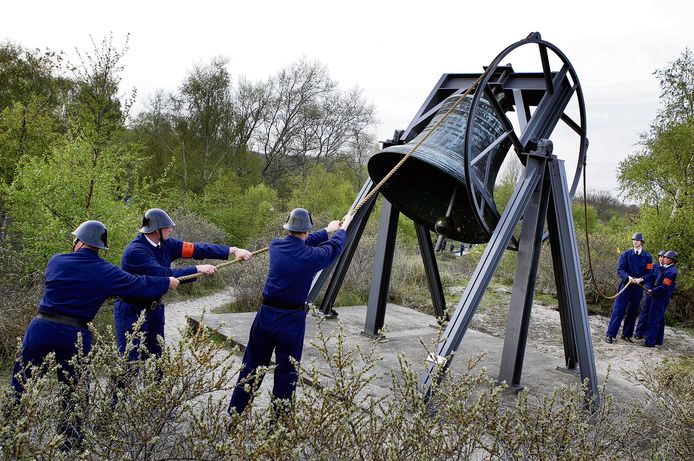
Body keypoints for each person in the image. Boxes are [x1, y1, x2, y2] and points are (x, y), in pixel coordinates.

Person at [11, 220, 178, 449]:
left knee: (20, 383)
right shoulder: (105, 271)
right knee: (74, 392)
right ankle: (70, 445)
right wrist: (166, 282)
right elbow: (137, 284)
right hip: (75, 335)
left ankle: (8, 436)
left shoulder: (55, 261)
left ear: (78, 242)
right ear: (100, 246)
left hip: (40, 328)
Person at [228, 208, 351, 415]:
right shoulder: (312, 257)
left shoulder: (276, 246)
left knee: (251, 366)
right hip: (291, 320)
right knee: (287, 374)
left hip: (266, 315)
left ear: (288, 228)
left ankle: (236, 411)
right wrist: (343, 228)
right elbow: (333, 248)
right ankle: (279, 424)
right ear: (306, 231)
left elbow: (300, 243)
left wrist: (326, 229)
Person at [114, 208, 252, 361]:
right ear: (156, 230)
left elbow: (197, 249)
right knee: (130, 361)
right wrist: (197, 269)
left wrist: (232, 251)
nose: (171, 230)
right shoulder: (136, 251)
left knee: (156, 359)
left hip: (154, 309)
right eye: (167, 227)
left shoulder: (166, 244)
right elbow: (164, 275)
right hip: (131, 310)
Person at [605, 233, 653, 344]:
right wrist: (628, 277)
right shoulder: (625, 254)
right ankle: (610, 335)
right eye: (633, 240)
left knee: (633, 311)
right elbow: (620, 269)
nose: (635, 241)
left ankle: (626, 335)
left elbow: (650, 272)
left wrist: (641, 279)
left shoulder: (647, 257)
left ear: (642, 242)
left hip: (638, 287)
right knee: (619, 310)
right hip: (626, 286)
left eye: (637, 240)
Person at [642, 250, 678, 348]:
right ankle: (658, 340)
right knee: (660, 319)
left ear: (672, 261)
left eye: (667, 258)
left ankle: (649, 342)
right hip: (660, 295)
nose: (664, 259)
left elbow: (664, 287)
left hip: (661, 297)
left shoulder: (671, 272)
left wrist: (652, 291)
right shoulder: (666, 268)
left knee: (654, 318)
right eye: (664, 257)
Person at [634, 250, 666, 340]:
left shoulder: (667, 270)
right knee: (645, 311)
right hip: (649, 292)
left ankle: (652, 335)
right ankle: (639, 332)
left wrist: (655, 291)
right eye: (660, 257)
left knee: (656, 315)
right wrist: (649, 288)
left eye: (663, 257)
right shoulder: (652, 266)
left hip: (659, 294)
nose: (661, 259)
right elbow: (648, 277)